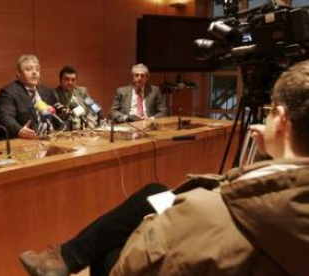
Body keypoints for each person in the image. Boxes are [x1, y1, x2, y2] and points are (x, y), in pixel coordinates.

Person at [19, 60, 309, 276]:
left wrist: (153, 224)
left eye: (270, 111)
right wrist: (273, 152)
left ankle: (67, 258)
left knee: (109, 250)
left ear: (281, 120)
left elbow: (136, 263)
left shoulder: (211, 207)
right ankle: (66, 258)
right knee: (155, 191)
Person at [0, 54, 54, 141]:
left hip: (44, 142)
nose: (34, 72)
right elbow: (7, 118)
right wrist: (20, 131)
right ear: (19, 74)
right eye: (28, 69)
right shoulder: (9, 92)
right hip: (20, 143)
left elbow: (56, 116)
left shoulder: (46, 91)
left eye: (37, 69)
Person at [52, 66, 102, 130]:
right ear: (60, 80)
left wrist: (93, 120)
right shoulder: (54, 94)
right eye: (67, 79)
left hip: (86, 129)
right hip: (68, 132)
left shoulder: (82, 91)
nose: (70, 82)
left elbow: (93, 107)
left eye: (73, 80)